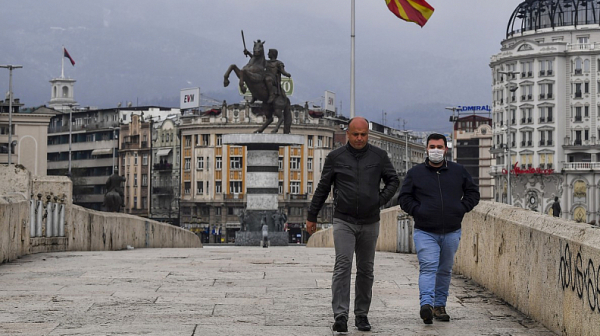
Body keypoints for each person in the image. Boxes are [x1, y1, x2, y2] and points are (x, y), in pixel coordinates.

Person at [306, 117, 399, 332]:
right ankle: (340, 314)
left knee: (366, 269)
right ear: (347, 133)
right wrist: (312, 216)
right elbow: (322, 187)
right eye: (355, 134)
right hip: (344, 219)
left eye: (363, 134)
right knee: (343, 265)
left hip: (370, 220)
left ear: (368, 135)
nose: (359, 138)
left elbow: (393, 180)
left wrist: (379, 200)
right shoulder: (335, 157)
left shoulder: (380, 156)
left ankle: (362, 315)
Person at [398, 133, 480, 324]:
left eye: (439, 147)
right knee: (428, 267)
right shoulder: (415, 173)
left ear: (446, 149)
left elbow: (473, 193)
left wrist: (461, 208)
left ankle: (439, 306)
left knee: (444, 269)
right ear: (426, 149)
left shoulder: (458, 171)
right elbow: (404, 198)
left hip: (451, 230)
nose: (436, 150)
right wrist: (418, 211)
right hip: (425, 230)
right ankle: (426, 304)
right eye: (432, 146)